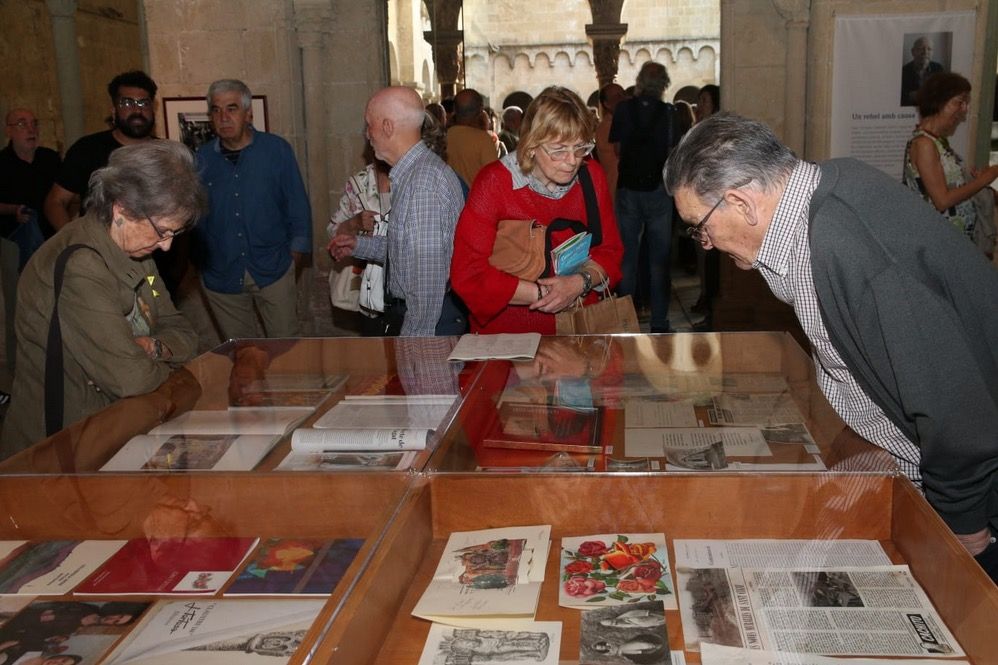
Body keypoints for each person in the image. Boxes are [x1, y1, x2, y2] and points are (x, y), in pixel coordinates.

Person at [665, 112, 998, 582]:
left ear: (741, 202)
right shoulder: (826, 192)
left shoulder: (845, 248)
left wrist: (966, 531)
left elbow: (957, 410)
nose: (706, 244)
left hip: (974, 498)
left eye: (701, 226)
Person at [0, 141, 204, 458]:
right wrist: (164, 363)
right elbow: (131, 378)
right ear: (121, 209)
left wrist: (153, 347)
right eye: (162, 231)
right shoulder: (80, 266)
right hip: (60, 450)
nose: (166, 247)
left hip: (112, 433)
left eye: (173, 235)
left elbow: (185, 333)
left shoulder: (139, 254)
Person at [450, 86, 623, 334]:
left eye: (580, 147)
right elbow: (468, 273)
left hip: (578, 329)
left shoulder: (591, 175)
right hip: (510, 336)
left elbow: (610, 250)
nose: (573, 160)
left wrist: (578, 284)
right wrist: (546, 294)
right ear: (531, 145)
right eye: (559, 150)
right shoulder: (496, 182)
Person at [328, 86, 466, 336]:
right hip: (418, 319)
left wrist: (416, 348)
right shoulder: (412, 175)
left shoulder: (423, 183)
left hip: (426, 327)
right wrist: (359, 246)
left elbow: (425, 287)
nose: (367, 134)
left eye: (369, 125)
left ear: (388, 127)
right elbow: (408, 253)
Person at [195, 79, 312, 340]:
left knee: (287, 350)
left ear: (248, 113)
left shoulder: (276, 150)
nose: (223, 117)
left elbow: (298, 208)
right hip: (222, 275)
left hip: (274, 268)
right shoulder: (201, 160)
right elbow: (195, 219)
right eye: (216, 110)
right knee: (242, 355)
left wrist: (293, 259)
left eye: (232, 108)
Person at [611, 61, 679, 333]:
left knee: (627, 258)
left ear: (639, 80)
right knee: (659, 261)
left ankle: (625, 323)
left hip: (628, 189)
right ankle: (659, 323)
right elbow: (673, 151)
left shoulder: (623, 110)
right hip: (659, 191)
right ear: (664, 84)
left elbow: (617, 149)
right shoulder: (670, 113)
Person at [44, 71, 158, 232]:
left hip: (160, 252)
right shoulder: (87, 149)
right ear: (113, 110)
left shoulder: (166, 154)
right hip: (102, 252)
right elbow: (55, 202)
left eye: (144, 103)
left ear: (153, 109)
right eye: (127, 103)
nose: (137, 111)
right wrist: (75, 240)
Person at [902, 72, 998, 252]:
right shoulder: (924, 144)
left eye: (966, 103)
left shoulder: (937, 141)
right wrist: (984, 180)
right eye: (959, 102)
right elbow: (942, 201)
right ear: (939, 101)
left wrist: (974, 180)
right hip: (940, 245)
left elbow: (949, 187)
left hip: (953, 243)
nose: (964, 109)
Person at [0, 108, 61, 261]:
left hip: (52, 235)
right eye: (22, 124)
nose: (31, 129)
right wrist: (14, 210)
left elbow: (67, 192)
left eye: (34, 124)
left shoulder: (50, 158)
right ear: (9, 131)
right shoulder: (2, 163)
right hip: (15, 238)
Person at [446, 88, 500, 187]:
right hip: (476, 200)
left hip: (449, 198)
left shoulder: (444, 137)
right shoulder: (484, 140)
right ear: (480, 110)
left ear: (454, 109)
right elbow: (494, 178)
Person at [594, 83, 626, 206]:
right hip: (617, 191)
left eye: (623, 94)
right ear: (607, 104)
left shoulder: (618, 123)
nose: (623, 98)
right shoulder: (607, 127)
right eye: (617, 97)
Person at [901, 36, 945, 106]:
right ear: (913, 51)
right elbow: (900, 97)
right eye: (921, 48)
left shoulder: (939, 69)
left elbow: (943, 93)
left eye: (929, 49)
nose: (925, 52)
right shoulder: (903, 71)